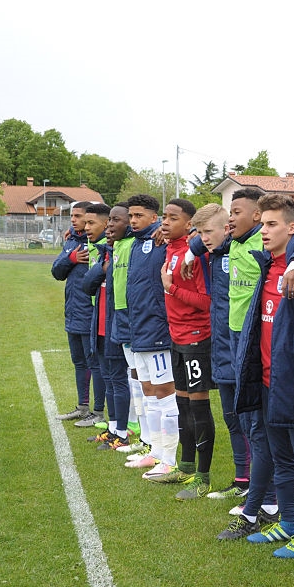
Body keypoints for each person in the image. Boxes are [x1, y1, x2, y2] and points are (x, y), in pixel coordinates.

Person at [234, 193, 294, 558]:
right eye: (262, 224)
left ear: (293, 228)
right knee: (281, 458)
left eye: (272, 224)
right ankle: (289, 524)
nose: (263, 231)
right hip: (267, 380)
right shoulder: (266, 265)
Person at [216, 188, 282, 540]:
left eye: (236, 211)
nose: (230, 217)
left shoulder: (265, 246)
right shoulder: (235, 243)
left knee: (258, 426)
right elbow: (205, 242)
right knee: (248, 421)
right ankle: (265, 501)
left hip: (257, 341)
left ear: (257, 218)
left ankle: (263, 504)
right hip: (234, 337)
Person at [190, 203, 251, 501]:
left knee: (247, 419)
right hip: (221, 347)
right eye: (199, 233)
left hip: (239, 345)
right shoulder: (212, 252)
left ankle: (252, 480)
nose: (202, 238)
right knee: (230, 417)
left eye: (208, 232)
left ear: (227, 228)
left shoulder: (237, 248)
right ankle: (241, 479)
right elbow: (196, 241)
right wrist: (195, 246)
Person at [122, 194, 181, 482]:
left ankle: (169, 460)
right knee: (148, 393)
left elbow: (190, 235)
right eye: (130, 215)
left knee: (164, 393)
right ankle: (156, 451)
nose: (133, 220)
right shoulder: (136, 244)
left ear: (153, 217)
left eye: (139, 215)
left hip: (158, 331)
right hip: (139, 330)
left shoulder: (163, 240)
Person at [160, 198, 215, 500]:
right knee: (181, 404)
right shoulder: (170, 249)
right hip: (176, 338)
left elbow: (207, 302)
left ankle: (203, 478)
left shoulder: (196, 256)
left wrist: (172, 288)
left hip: (197, 339)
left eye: (172, 218)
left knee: (198, 406)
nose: (165, 222)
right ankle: (185, 466)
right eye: (163, 217)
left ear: (189, 224)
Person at [80, 203, 131, 451]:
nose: (109, 226)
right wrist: (103, 264)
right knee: (110, 380)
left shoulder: (127, 250)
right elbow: (87, 285)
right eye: (108, 221)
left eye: (115, 220)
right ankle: (112, 429)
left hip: (116, 326)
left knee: (119, 380)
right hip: (99, 327)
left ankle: (121, 431)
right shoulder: (105, 253)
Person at [52, 200, 105, 426]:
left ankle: (98, 411)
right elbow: (56, 271)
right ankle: (82, 407)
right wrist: (70, 258)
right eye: (72, 216)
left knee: (95, 363)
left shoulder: (101, 242)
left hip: (90, 312)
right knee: (79, 361)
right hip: (73, 311)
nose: (73, 219)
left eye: (77, 216)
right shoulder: (72, 240)